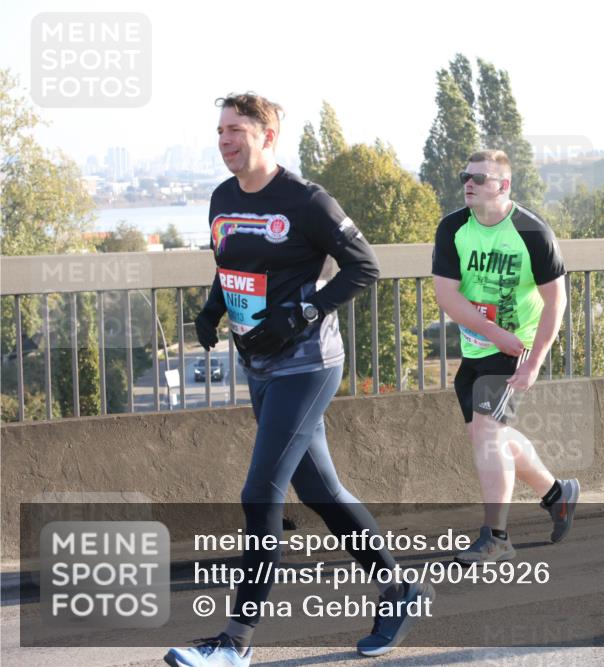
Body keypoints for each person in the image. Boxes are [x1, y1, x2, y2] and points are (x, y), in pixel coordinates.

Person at [165, 93, 432, 666]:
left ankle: (234, 643)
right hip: (257, 365)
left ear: (267, 136)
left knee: (260, 493)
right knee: (321, 491)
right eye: (219, 132)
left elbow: (365, 267)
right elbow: (231, 264)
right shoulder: (221, 198)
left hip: (307, 365)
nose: (224, 140)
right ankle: (401, 588)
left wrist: (303, 312)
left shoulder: (307, 200)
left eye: (235, 130)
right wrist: (212, 309)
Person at [431, 149, 580, 565]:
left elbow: (556, 302)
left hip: (516, 350)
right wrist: (492, 333)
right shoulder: (453, 228)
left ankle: (496, 538)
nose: (469, 183)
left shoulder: (532, 233)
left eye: (480, 177)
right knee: (491, 440)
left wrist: (532, 361)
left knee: (487, 437)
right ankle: (557, 494)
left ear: (504, 185)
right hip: (478, 346)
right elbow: (447, 295)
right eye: (466, 175)